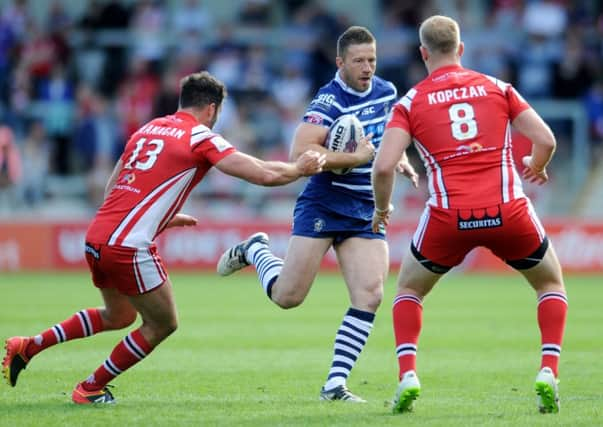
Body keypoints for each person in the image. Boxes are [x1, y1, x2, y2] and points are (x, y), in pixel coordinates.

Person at [2, 71, 325, 404]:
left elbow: (113, 189)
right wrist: (301, 168)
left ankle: (29, 345)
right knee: (163, 323)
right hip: (128, 245)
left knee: (119, 316)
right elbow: (263, 173)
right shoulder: (200, 136)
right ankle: (90, 388)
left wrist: (161, 217)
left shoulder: (146, 130)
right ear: (212, 110)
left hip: (98, 234)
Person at [371, 15, 567, 414]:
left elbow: (383, 167)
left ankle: (408, 374)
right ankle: (548, 370)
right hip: (508, 210)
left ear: (423, 53)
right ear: (461, 49)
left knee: (409, 290)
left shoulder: (410, 103)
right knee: (550, 284)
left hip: (449, 216)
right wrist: (537, 164)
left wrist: (381, 209)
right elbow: (545, 139)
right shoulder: (498, 88)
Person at [217, 26, 417, 403]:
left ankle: (334, 384)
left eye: (372, 59)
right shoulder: (328, 101)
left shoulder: (387, 92)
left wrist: (399, 158)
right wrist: (356, 158)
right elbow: (302, 155)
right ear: (340, 63)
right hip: (325, 202)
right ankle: (257, 250)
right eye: (359, 60)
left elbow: (387, 135)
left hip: (364, 208)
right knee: (288, 297)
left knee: (370, 295)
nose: (367, 67)